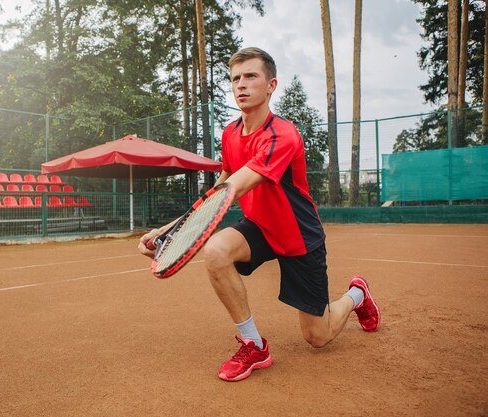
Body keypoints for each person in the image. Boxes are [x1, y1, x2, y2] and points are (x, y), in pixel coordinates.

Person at [138, 47, 380, 382]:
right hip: (260, 227)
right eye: (235, 78)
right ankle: (254, 344)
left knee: (318, 337)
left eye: (251, 76)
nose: (241, 84)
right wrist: (169, 230)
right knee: (217, 251)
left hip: (298, 235)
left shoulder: (283, 134)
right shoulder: (230, 134)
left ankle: (357, 294)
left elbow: (232, 188)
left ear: (271, 85)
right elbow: (222, 182)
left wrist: (175, 233)